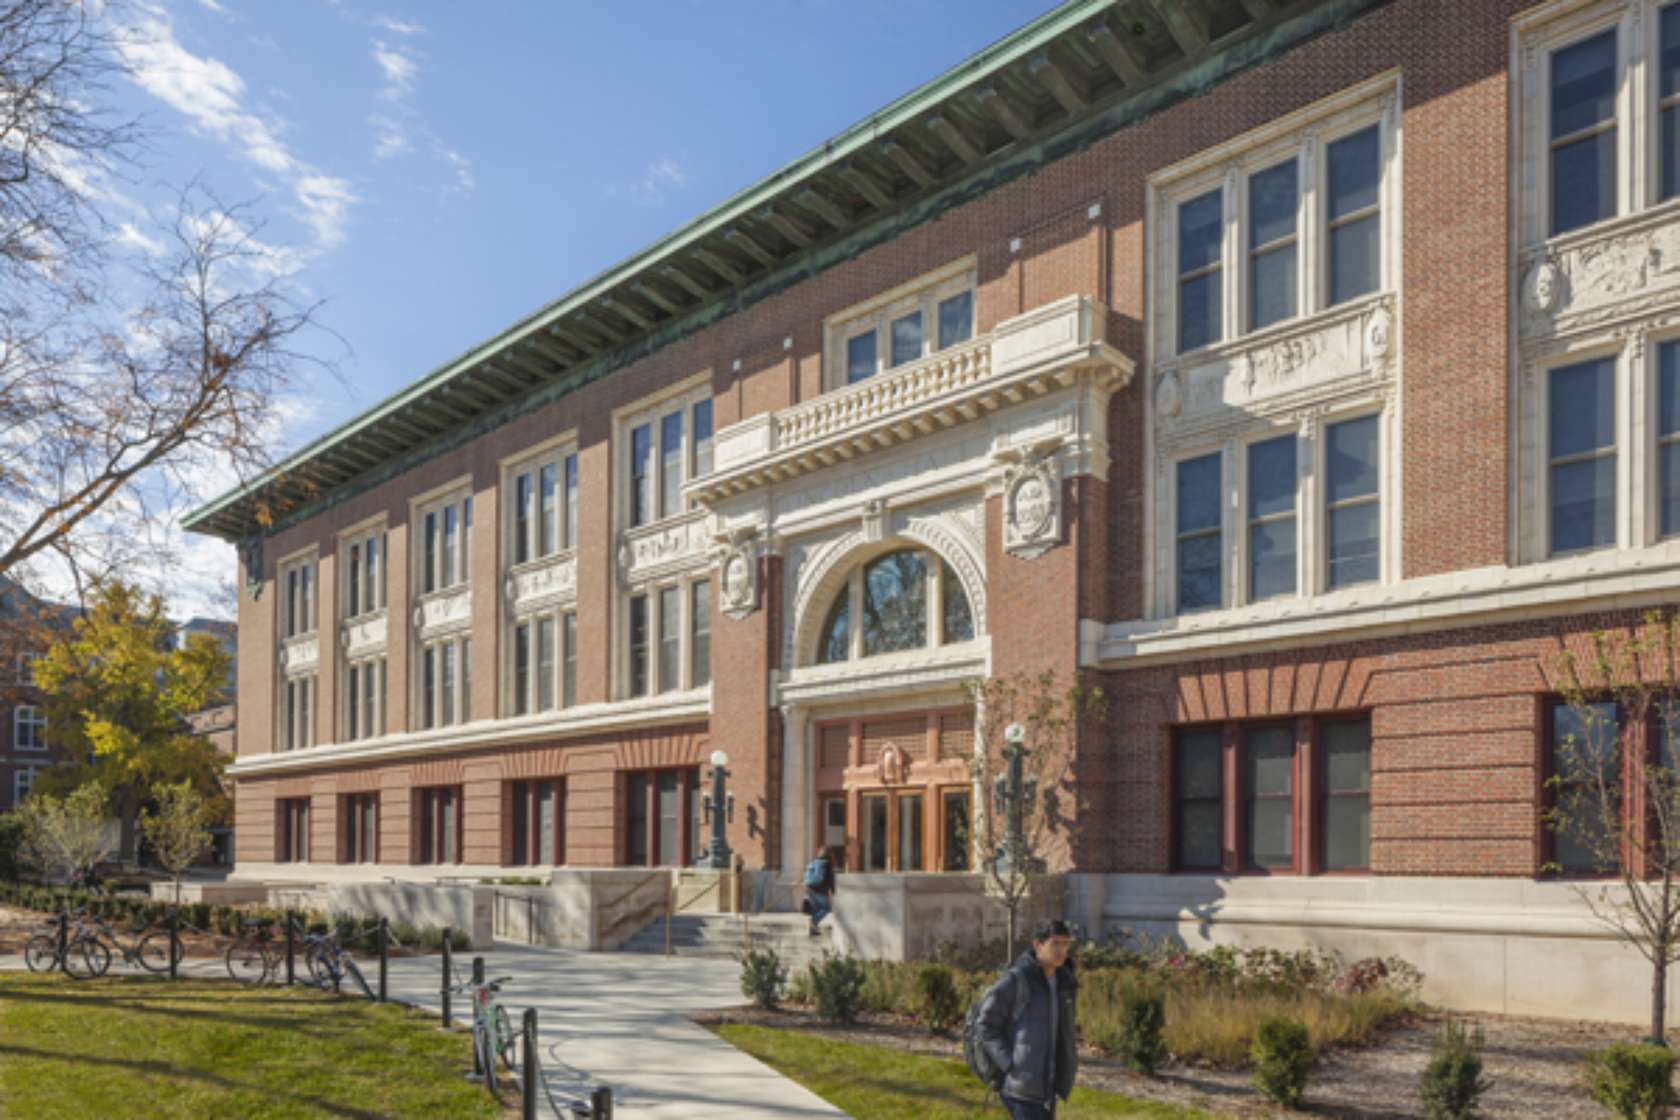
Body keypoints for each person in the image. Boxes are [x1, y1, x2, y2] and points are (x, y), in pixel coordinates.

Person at [977, 919, 1079, 1119]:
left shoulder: (1064, 983)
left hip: (1048, 1089)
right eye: (1055, 943)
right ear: (1038, 945)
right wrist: (1010, 1063)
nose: (1061, 950)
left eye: (1065, 944)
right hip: (1021, 1090)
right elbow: (986, 1024)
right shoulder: (1017, 980)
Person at [803, 844, 835, 936]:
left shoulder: (814, 862)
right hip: (819, 889)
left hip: (809, 888)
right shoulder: (827, 863)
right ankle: (813, 921)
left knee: (816, 909)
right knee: (827, 908)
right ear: (829, 854)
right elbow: (830, 879)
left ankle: (813, 929)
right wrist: (833, 891)